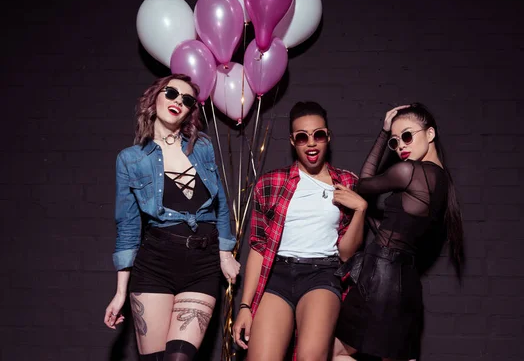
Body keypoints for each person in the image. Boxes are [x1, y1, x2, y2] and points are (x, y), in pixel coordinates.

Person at [103, 73, 241, 361]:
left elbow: (221, 204)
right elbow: (128, 226)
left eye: (187, 99)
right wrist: (120, 292)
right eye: (171, 93)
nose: (178, 100)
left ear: (191, 111)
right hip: (155, 265)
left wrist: (225, 253)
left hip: (202, 266)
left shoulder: (201, 147)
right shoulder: (131, 159)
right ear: (155, 96)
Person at [232, 101, 367, 360]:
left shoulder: (347, 182)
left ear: (328, 137)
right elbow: (259, 248)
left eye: (318, 135)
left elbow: (348, 253)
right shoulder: (270, 182)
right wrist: (246, 306)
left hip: (322, 275)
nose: (311, 143)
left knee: (310, 356)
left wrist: (360, 209)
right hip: (277, 276)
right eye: (302, 137)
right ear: (293, 142)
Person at [333, 103, 464, 361]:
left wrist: (382, 134)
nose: (401, 145)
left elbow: (363, 184)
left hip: (380, 276)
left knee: (339, 352)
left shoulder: (409, 171)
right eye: (394, 141)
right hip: (408, 279)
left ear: (430, 134)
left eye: (407, 136)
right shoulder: (443, 182)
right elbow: (397, 229)